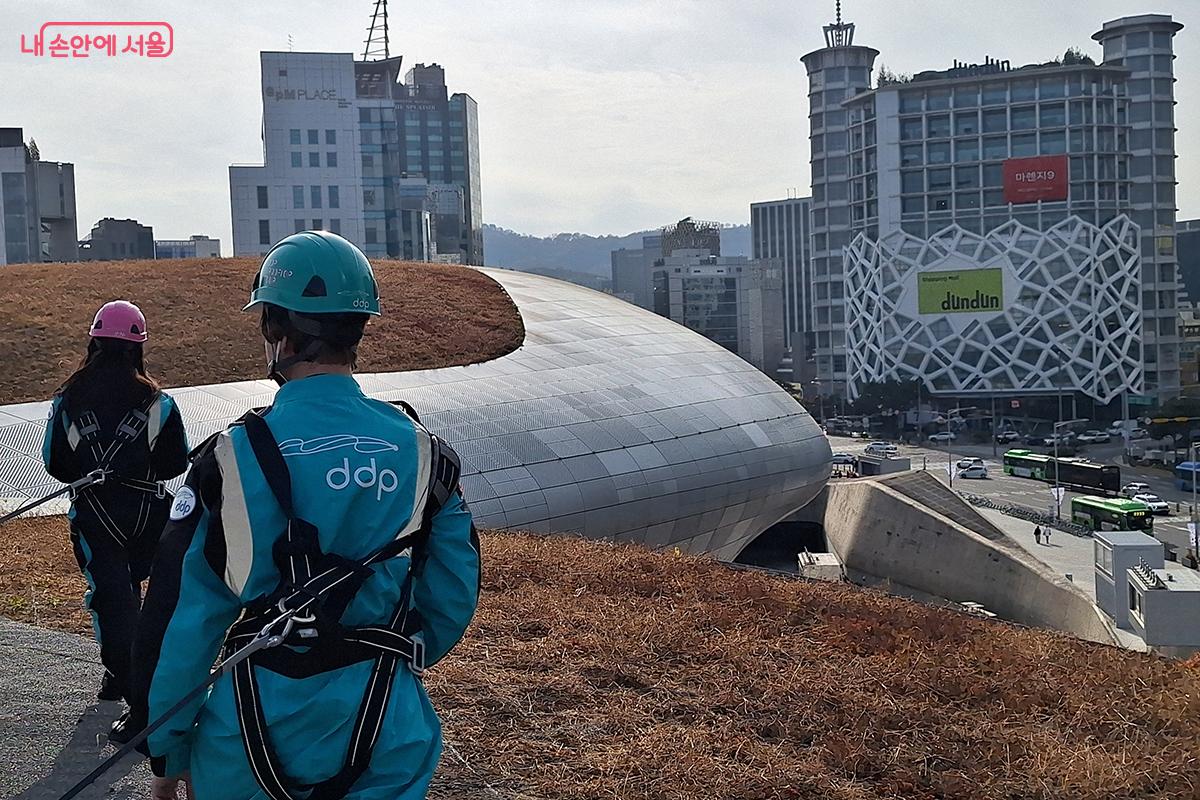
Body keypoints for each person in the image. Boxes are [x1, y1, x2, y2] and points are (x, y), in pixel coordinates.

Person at [128, 231, 481, 800]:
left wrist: (166, 746)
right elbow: (453, 592)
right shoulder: (424, 453)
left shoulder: (231, 458)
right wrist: (384, 654)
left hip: (248, 733)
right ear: (358, 328)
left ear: (276, 331)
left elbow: (182, 617)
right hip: (387, 725)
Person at [41, 300, 189, 708]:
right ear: (138, 347)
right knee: (140, 594)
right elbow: (176, 461)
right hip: (149, 515)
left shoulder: (68, 400)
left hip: (95, 513)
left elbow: (56, 465)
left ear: (93, 343)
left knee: (111, 597)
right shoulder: (158, 403)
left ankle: (126, 679)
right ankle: (133, 674)